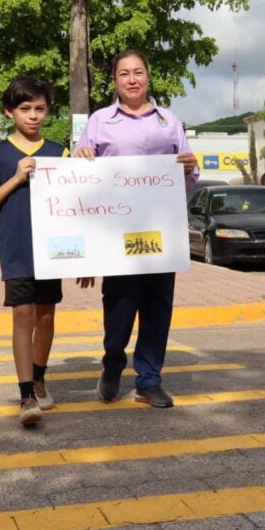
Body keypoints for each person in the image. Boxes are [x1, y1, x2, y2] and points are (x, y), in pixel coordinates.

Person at [75, 49, 199, 409]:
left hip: (161, 230)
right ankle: (113, 361)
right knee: (121, 304)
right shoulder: (100, 121)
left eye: (138, 72)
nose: (132, 79)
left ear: (148, 77)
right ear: (114, 80)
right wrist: (82, 156)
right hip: (116, 231)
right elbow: (82, 175)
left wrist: (190, 166)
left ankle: (149, 379)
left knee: (158, 306)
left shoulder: (169, 121)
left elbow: (188, 178)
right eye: (124, 73)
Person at [0, 77, 68, 426]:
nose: (33, 116)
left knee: (46, 317)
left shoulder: (60, 153)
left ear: (48, 111)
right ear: (9, 111)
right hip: (16, 250)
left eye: (40, 109)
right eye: (25, 109)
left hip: (53, 250)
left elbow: (77, 205)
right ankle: (26, 394)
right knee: (22, 316)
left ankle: (40, 376)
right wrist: (15, 179)